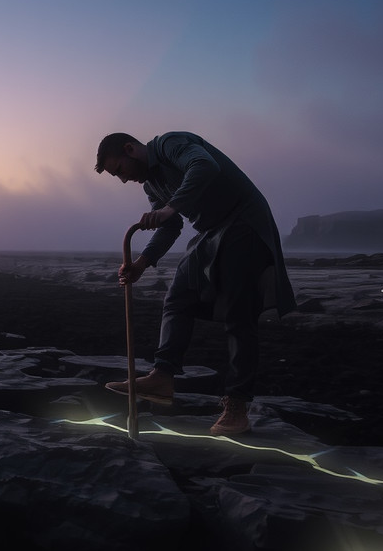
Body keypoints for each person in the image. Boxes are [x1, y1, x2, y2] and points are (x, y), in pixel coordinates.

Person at [95, 131, 296, 435]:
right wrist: (141, 264)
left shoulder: (169, 145)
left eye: (120, 170)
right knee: (178, 298)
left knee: (238, 315)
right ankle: (163, 376)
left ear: (130, 149)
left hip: (245, 220)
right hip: (212, 232)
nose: (123, 180)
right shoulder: (152, 184)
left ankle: (237, 406)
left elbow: (204, 166)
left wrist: (169, 207)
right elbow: (170, 225)